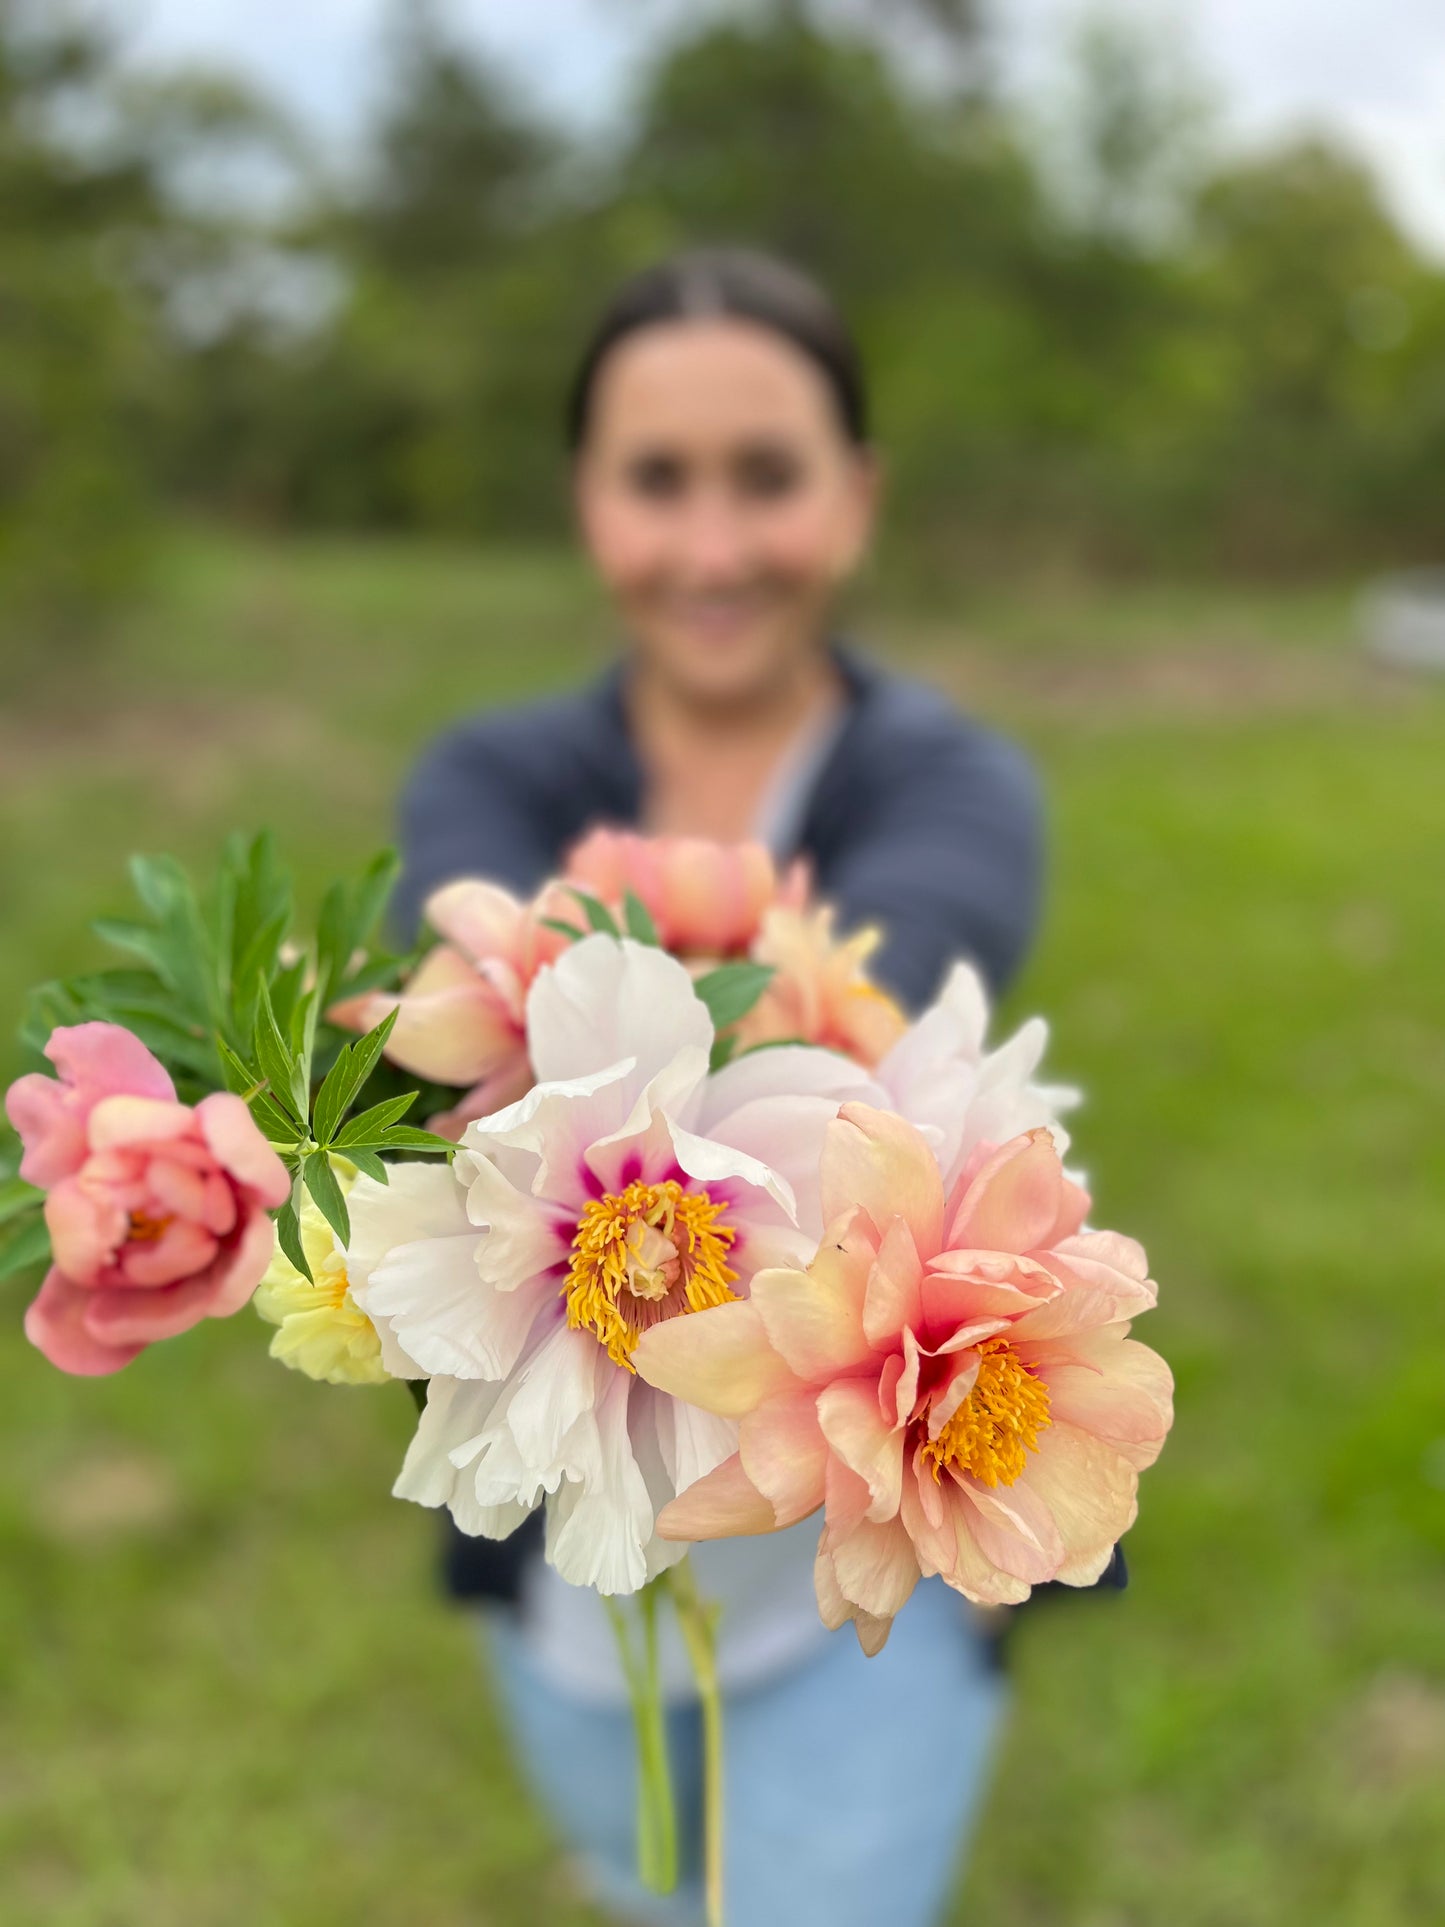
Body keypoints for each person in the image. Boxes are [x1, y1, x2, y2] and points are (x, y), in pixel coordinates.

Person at [393, 248, 1044, 1927]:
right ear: (583, 501)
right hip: (575, 1549)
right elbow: (433, 1027)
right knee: (635, 1876)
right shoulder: (487, 775)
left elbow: (863, 1015)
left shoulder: (950, 788)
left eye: (766, 477)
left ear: (859, 493)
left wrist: (531, 1029)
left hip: (855, 1574)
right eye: (654, 480)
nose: (710, 547)